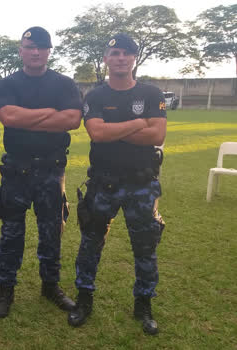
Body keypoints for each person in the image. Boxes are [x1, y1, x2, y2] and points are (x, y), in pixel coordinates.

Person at [68, 33, 166, 335]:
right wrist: (138, 123)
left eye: (126, 53)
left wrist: (114, 130)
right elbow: (96, 133)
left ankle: (143, 305)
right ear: (106, 59)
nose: (120, 58)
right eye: (114, 53)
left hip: (141, 184)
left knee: (145, 247)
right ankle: (84, 299)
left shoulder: (152, 93)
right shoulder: (96, 97)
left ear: (134, 57)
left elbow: (157, 136)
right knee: (90, 244)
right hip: (103, 183)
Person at [0, 26, 82, 318]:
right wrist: (50, 114)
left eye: (41, 47)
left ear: (48, 51)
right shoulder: (7, 84)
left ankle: (50, 285)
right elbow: (8, 116)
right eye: (30, 47)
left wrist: (26, 119)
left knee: (51, 231)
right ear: (21, 51)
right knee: (11, 231)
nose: (35, 52)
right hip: (16, 170)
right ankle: (6, 288)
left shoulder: (65, 83)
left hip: (50, 169)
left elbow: (72, 120)